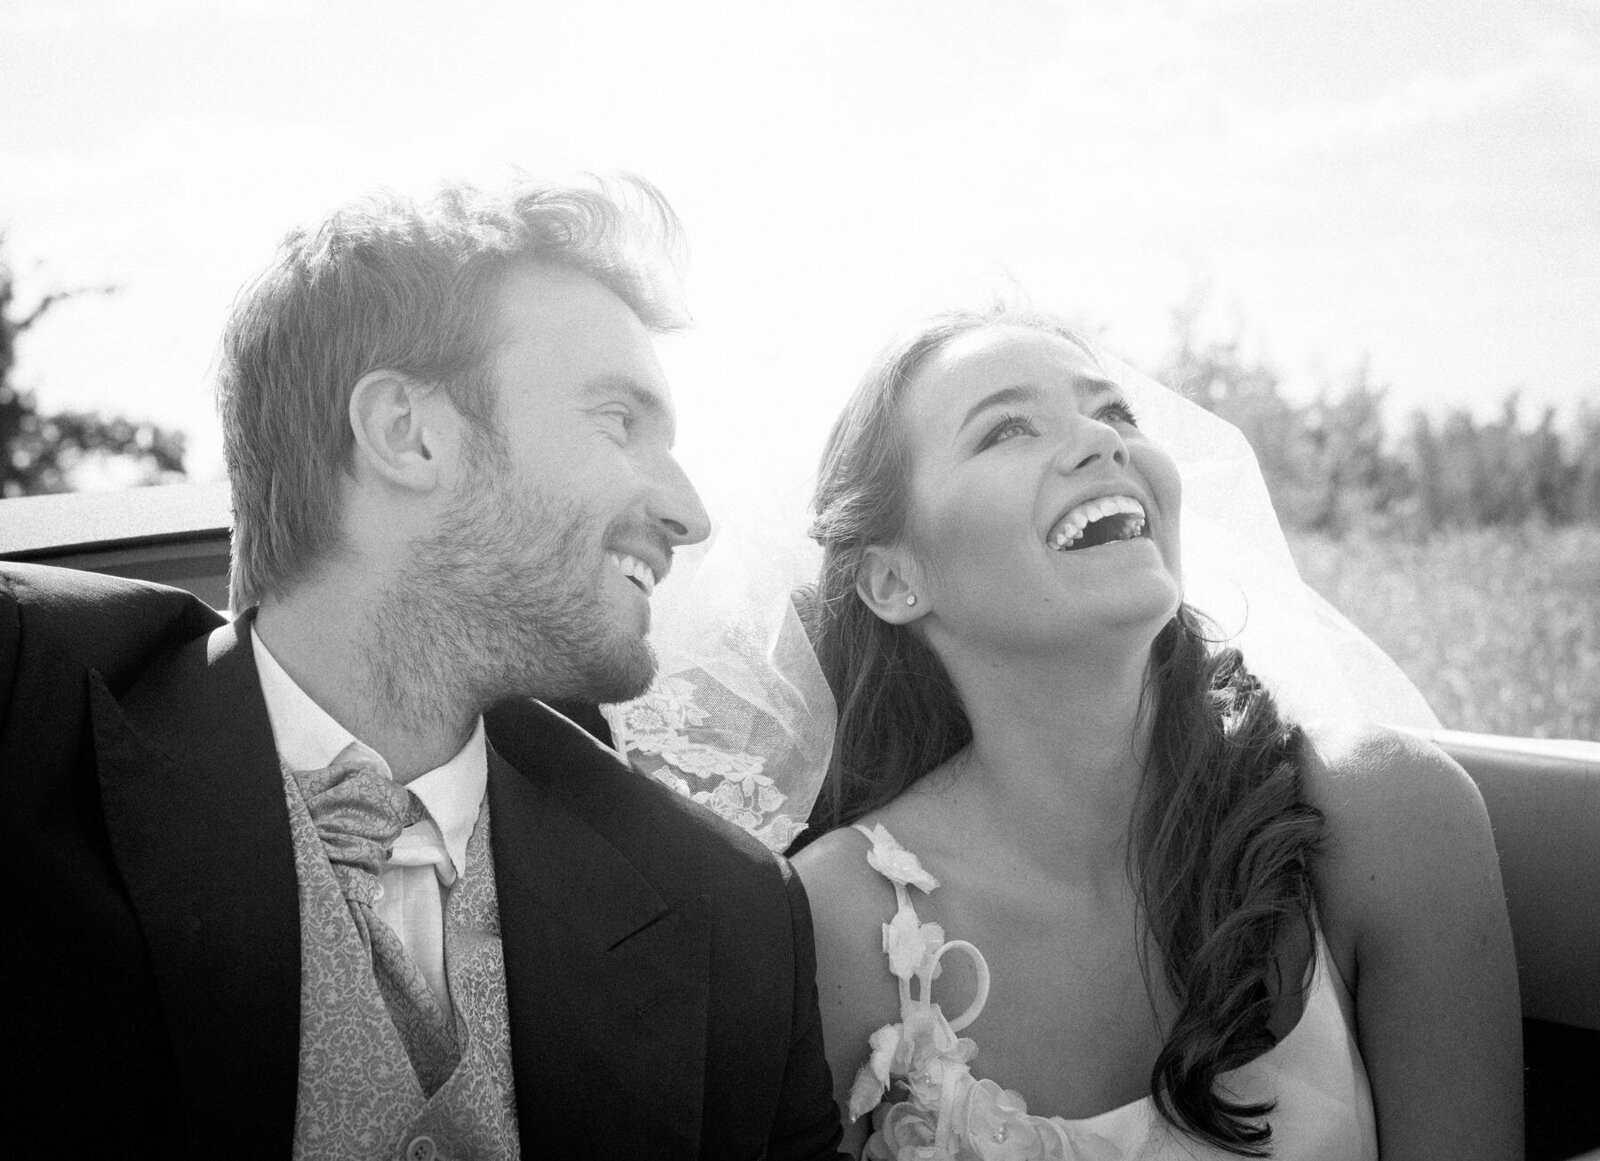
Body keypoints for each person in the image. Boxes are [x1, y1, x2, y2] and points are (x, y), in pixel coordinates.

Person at [0, 177, 841, 1159]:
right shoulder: (23, 706)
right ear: (409, 432)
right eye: (620, 422)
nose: (691, 514)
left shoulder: (730, 915)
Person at [790, 307, 1522, 1159]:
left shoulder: (1386, 817)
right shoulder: (842, 925)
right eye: (1008, 428)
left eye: (1113, 414)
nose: (1104, 445)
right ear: (893, 578)